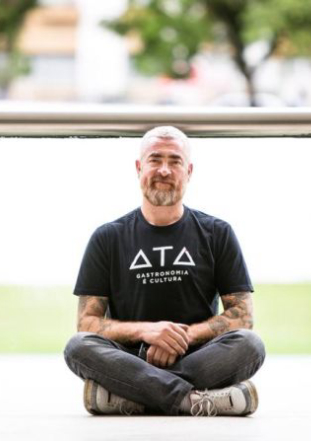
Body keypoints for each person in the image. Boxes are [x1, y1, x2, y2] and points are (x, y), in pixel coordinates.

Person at [64, 126, 265, 416]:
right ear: (139, 168)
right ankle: (192, 401)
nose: (164, 170)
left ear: (189, 171)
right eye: (155, 159)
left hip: (197, 356)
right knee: (78, 347)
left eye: (175, 161)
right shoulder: (107, 237)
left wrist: (184, 336)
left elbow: (243, 316)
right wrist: (148, 331)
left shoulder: (217, 233)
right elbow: (87, 324)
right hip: (131, 358)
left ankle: (132, 396)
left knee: (250, 345)